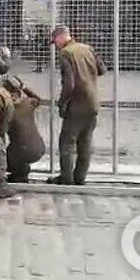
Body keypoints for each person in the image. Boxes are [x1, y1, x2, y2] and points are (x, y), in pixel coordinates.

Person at [49, 25, 106, 186]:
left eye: (55, 42)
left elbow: (69, 84)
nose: (56, 45)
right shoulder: (88, 48)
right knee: (85, 142)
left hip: (77, 104)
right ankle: (80, 178)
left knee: (67, 142)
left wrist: (62, 103)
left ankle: (66, 179)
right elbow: (102, 69)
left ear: (61, 37)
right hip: (93, 103)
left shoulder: (66, 54)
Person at [5, 79, 47, 184]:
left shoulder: (8, 113)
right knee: (16, 147)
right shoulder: (28, 103)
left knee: (6, 153)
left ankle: (20, 175)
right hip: (39, 148)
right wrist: (23, 86)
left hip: (23, 152)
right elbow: (38, 99)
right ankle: (21, 170)